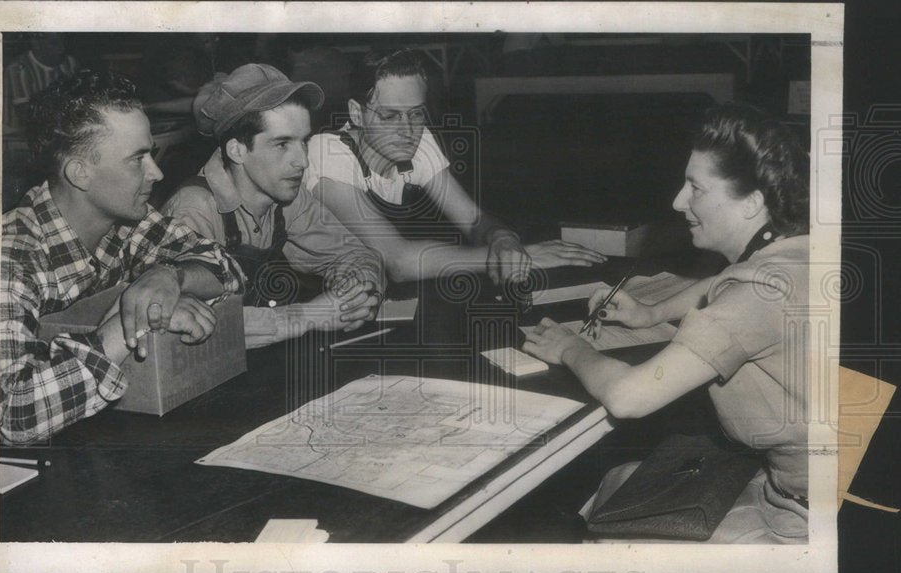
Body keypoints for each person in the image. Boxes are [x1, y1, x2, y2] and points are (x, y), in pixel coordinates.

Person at [523, 104, 810, 543]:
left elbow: (628, 397)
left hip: (804, 518)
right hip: (825, 489)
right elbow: (723, 284)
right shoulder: (799, 251)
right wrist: (652, 313)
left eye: (695, 187)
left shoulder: (756, 295)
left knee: (610, 516)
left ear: (752, 202)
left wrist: (568, 348)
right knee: (621, 480)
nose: (678, 202)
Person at [1, 70, 243, 445]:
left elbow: (228, 269)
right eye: (138, 159)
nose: (157, 172)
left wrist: (169, 277)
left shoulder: (132, 222)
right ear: (80, 173)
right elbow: (13, 416)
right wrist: (132, 322)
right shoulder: (10, 259)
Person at [305, 48, 605, 284]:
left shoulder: (417, 141)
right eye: (389, 116)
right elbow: (397, 262)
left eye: (416, 114)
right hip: (315, 301)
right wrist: (514, 257)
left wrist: (505, 240)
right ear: (356, 113)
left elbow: (475, 221)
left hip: (378, 297)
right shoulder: (327, 151)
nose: (407, 130)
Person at [161, 63, 384, 349]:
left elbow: (355, 254)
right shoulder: (193, 211)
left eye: (304, 142)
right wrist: (309, 316)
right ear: (237, 150)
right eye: (282, 144)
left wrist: (356, 293)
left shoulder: (284, 197)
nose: (302, 161)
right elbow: (185, 326)